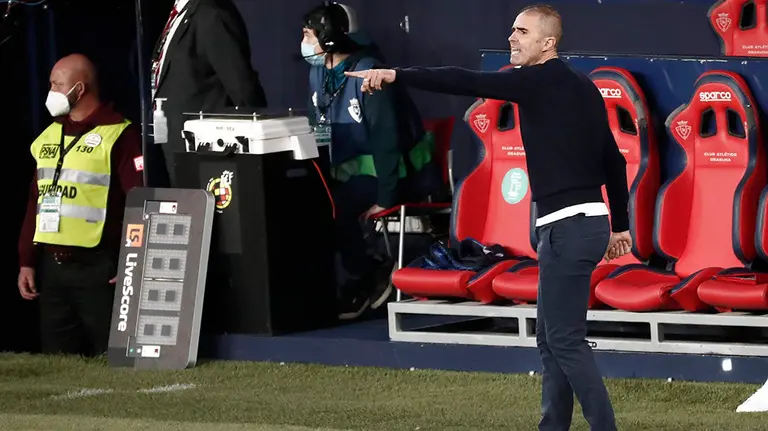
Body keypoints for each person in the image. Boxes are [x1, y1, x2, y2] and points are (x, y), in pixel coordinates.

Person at [346, 4, 632, 431]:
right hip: (580, 225)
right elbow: (615, 161)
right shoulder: (582, 85)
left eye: (522, 32)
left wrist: (396, 75)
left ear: (548, 42)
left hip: (569, 229)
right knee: (551, 339)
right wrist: (619, 225)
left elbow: (463, 80)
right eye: (511, 30)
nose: (512, 38)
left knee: (565, 340)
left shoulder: (537, 81)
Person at [301, 2, 440, 320]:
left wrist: (386, 197)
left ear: (330, 36)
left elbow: (386, 142)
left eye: (309, 34)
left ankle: (365, 277)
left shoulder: (371, 75)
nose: (305, 41)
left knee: (336, 207)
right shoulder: (317, 73)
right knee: (308, 203)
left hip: (394, 175)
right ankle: (337, 281)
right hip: (351, 174)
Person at [17, 54, 144, 357]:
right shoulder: (48, 135)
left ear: (79, 88)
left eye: (56, 85)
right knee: (58, 361)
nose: (50, 91)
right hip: (54, 268)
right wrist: (27, 259)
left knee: (110, 355)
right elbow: (36, 200)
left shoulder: (119, 134)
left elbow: (139, 201)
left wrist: (133, 257)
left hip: (99, 266)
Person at [151, 0, 268, 185]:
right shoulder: (180, 12)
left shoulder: (212, 13)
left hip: (204, 150)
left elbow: (241, 85)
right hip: (175, 143)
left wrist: (262, 141)